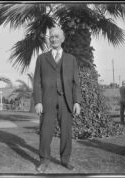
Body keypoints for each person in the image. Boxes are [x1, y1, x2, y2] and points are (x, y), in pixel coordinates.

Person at [33, 26, 83, 173]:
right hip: (47, 101)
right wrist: (38, 101)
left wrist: (77, 102)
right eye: (51, 37)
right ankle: (44, 161)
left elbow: (75, 82)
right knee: (45, 132)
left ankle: (65, 160)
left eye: (56, 36)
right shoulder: (42, 58)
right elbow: (36, 81)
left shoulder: (71, 59)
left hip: (66, 101)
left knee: (66, 132)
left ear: (62, 39)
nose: (53, 39)